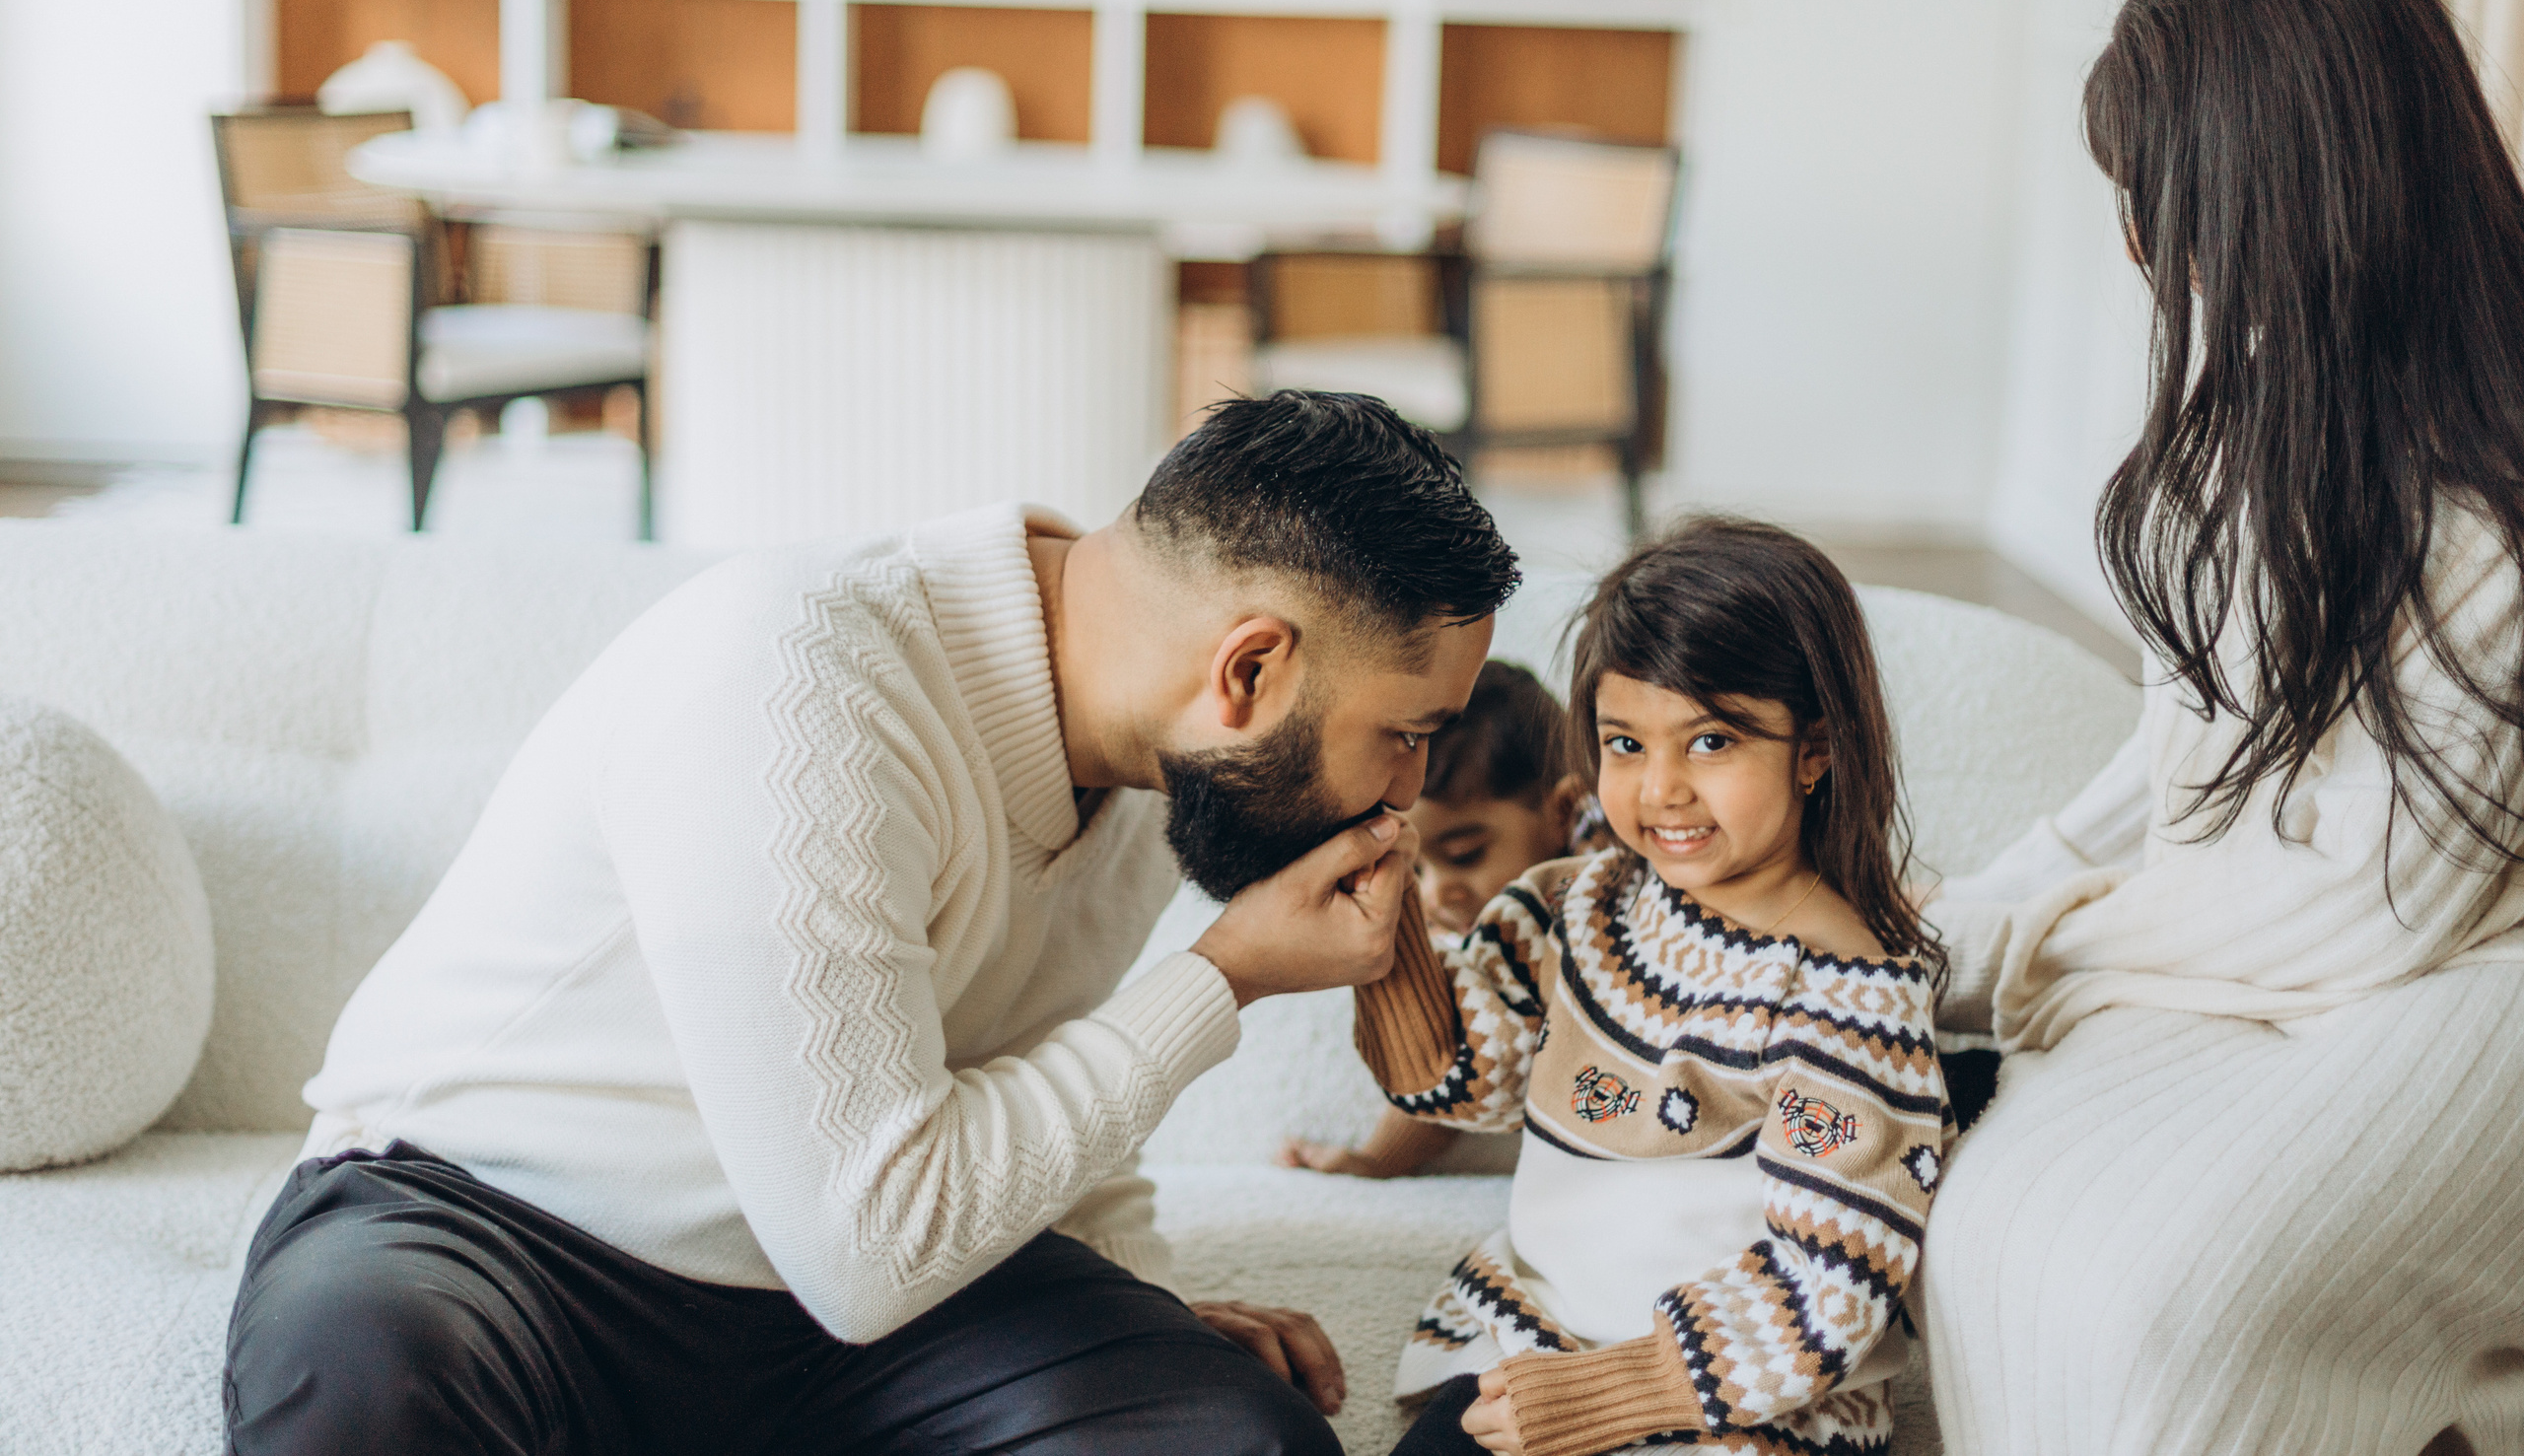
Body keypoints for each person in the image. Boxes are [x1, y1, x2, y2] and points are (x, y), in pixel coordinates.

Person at [220, 391, 1521, 1456]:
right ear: (1249, 668)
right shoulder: (799, 677)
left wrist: (1140, 1305)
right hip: (497, 1228)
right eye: (1403, 735)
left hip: (854, 1311)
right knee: (369, 1388)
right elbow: (867, 1243)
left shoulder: (1147, 762)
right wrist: (1220, 977)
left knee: (1233, 1435)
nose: (1406, 790)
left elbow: (1016, 1065)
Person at [1921, 0, 2524, 1456]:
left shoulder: (2498, 499)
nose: (2137, 246)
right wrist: (1956, 919)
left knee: (2173, 1306)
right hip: (2257, 975)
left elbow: (2378, 904)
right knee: (1994, 1229)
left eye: (2157, 200)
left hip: (2463, 980)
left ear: (2285, 194)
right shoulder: (2241, 450)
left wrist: (2044, 954)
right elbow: (2177, 784)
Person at [1355, 517, 1952, 1456]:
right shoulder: (1574, 902)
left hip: (1735, 1400)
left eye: (1711, 742)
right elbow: (1460, 1076)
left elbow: (1828, 1281)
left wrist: (1606, 1394)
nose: (1661, 787)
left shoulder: (1848, 1000)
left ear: (1815, 749)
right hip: (1541, 1332)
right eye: (1625, 743)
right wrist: (1384, 928)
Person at [1279, 659, 1584, 1180]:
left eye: (1464, 853)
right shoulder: (1463, 944)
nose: (1439, 891)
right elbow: (1462, 1056)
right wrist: (1380, 1160)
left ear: (1565, 813)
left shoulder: (1592, 908)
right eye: (1413, 869)